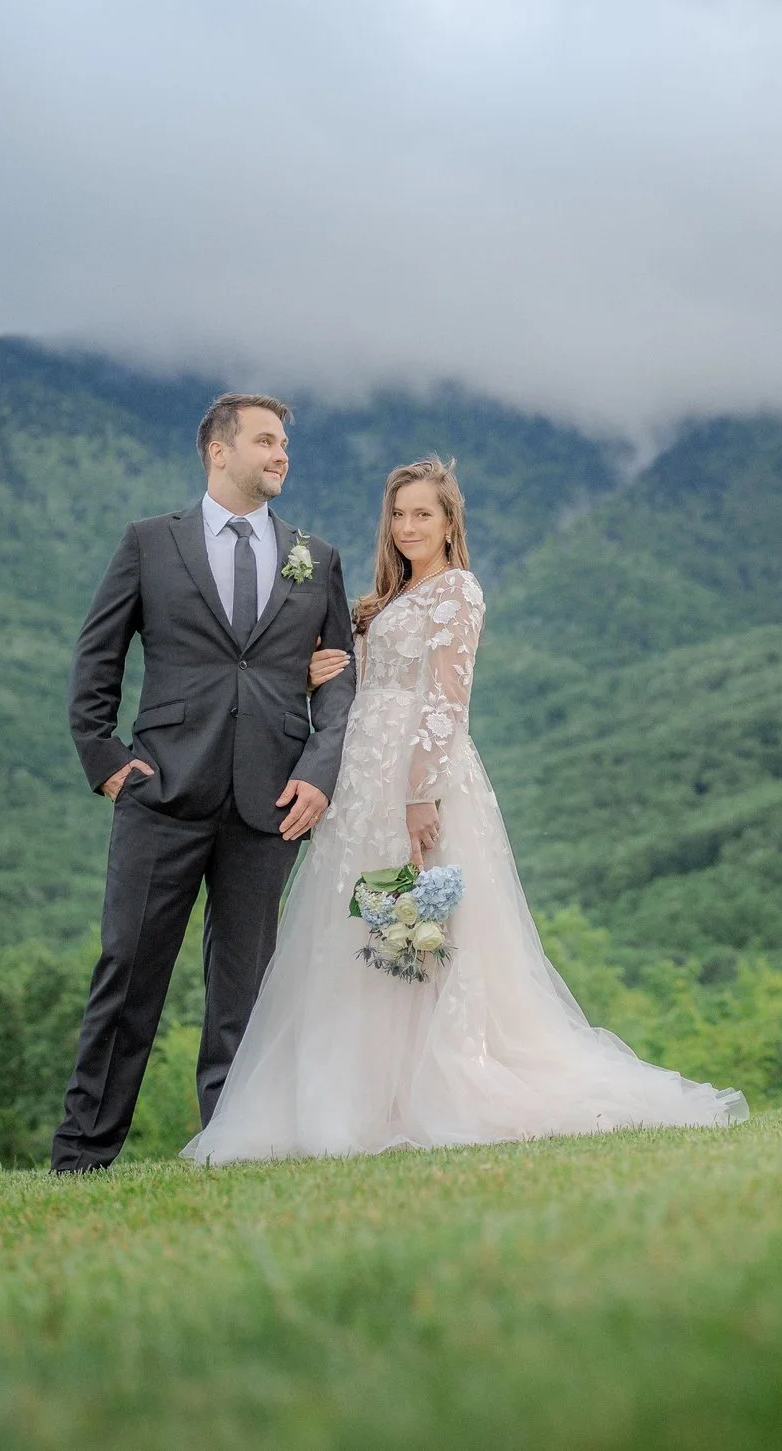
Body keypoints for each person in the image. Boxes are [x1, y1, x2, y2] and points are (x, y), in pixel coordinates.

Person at [184, 457, 746, 1162]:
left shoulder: (457, 592)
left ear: (451, 522)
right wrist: (312, 673)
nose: (409, 526)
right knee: (350, 932)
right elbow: (354, 686)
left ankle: (425, 1085)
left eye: (424, 513)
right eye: (399, 514)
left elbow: (448, 698)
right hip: (360, 777)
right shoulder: (382, 600)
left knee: (418, 932)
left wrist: (422, 792)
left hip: (417, 774)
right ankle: (355, 1093)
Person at [52, 393, 356, 1173]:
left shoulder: (314, 557)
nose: (281, 453)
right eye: (265, 440)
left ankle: (233, 1147)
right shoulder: (151, 544)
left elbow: (340, 680)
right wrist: (106, 759)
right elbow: (98, 657)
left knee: (245, 991)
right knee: (128, 972)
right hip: (162, 793)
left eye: (285, 442)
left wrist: (319, 772)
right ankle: (83, 1152)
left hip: (272, 802)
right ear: (217, 452)